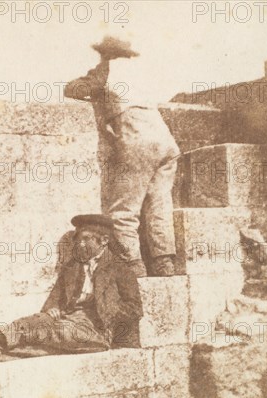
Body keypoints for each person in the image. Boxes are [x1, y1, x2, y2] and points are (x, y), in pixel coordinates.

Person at [0, 214, 143, 364]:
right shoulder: (73, 267)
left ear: (103, 241)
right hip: (67, 322)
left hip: (98, 331)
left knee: (52, 331)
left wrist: (109, 309)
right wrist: (51, 309)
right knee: (36, 329)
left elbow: (135, 309)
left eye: (86, 239)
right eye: (78, 239)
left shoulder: (120, 269)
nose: (79, 244)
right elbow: (56, 296)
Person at [63, 36, 180, 277]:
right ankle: (164, 263)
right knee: (159, 205)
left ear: (106, 53)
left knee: (123, 209)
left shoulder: (107, 70)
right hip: (165, 141)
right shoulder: (142, 73)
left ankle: (133, 266)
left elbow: (73, 89)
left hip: (137, 141)